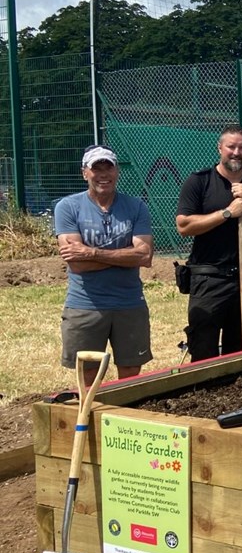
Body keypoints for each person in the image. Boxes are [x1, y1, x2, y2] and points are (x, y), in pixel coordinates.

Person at [176, 124, 242, 361]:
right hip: (209, 279)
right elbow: (183, 226)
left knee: (241, 348)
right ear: (220, 148)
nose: (236, 152)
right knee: (203, 347)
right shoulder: (199, 182)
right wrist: (227, 213)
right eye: (231, 147)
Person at [54, 144, 154, 387]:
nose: (103, 174)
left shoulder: (136, 206)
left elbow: (144, 257)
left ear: (117, 171)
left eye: (108, 167)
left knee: (131, 377)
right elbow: (76, 264)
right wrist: (123, 258)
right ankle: (89, 424)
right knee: (89, 377)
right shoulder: (67, 208)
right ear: (84, 173)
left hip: (129, 304)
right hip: (85, 305)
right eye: (96, 168)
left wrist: (91, 252)